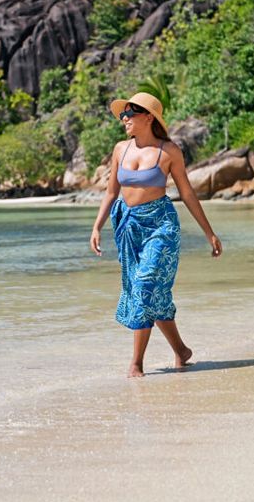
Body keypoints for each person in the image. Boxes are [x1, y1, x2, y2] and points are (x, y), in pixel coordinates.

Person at [89, 92, 222, 378]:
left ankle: (136, 363)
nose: (124, 119)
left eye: (129, 114)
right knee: (152, 292)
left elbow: (186, 193)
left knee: (145, 285)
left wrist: (209, 233)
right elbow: (112, 192)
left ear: (148, 117)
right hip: (129, 226)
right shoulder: (120, 149)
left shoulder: (168, 151)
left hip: (161, 225)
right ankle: (182, 350)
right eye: (123, 115)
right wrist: (97, 226)